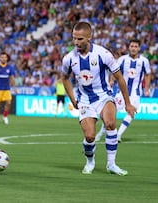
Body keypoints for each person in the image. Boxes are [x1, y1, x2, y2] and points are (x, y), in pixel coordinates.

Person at [61, 22, 136, 176]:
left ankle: (111, 164)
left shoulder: (103, 54)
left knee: (110, 124)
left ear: (89, 37)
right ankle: (90, 161)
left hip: (104, 96)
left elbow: (120, 78)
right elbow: (65, 78)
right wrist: (72, 98)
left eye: (80, 39)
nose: (76, 42)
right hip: (84, 100)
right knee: (89, 136)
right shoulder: (68, 59)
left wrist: (128, 104)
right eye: (74, 38)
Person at [95, 39, 151, 142]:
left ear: (139, 48)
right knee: (111, 112)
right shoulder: (122, 60)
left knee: (131, 113)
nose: (133, 48)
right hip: (121, 92)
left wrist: (146, 88)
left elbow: (148, 74)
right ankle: (102, 132)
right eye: (132, 46)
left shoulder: (144, 61)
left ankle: (118, 134)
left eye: (135, 46)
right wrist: (111, 80)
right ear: (129, 48)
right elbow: (115, 71)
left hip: (135, 93)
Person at [0, 52, 17, 125]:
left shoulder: (9, 67)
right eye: (2, 57)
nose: (3, 58)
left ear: (7, 58)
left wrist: (14, 87)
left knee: (8, 102)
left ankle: (5, 116)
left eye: (5, 57)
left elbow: (12, 78)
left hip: (7, 88)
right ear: (0, 58)